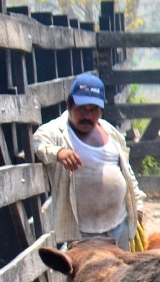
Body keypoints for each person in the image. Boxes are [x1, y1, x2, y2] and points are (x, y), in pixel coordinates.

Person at [33, 74, 145, 250]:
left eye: (93, 110)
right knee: (91, 275)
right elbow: (38, 142)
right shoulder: (57, 131)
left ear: (101, 111)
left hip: (119, 224)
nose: (87, 115)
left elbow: (127, 172)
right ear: (69, 106)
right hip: (83, 232)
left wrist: (137, 205)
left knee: (124, 274)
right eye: (81, 109)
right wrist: (59, 153)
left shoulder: (111, 133)